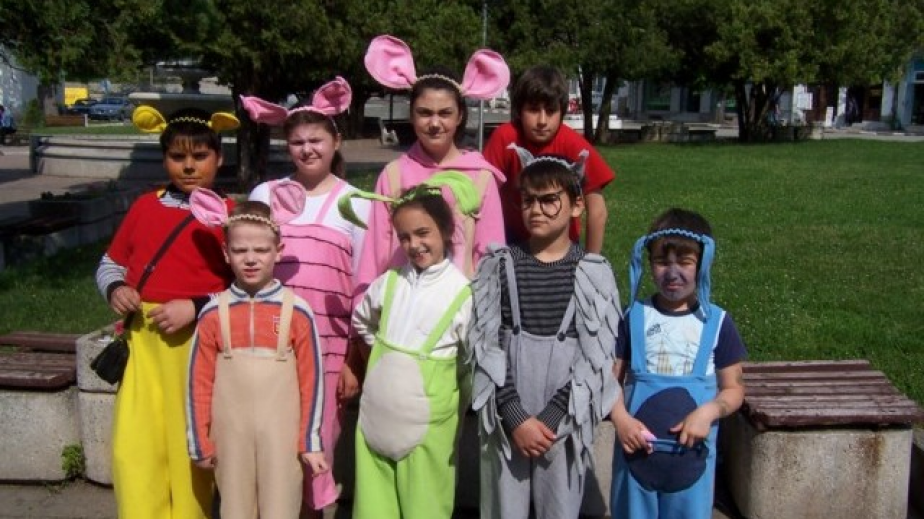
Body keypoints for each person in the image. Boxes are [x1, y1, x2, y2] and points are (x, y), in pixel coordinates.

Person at [94, 105, 240, 519]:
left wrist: (195, 306)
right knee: (135, 446)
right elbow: (110, 262)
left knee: (188, 445)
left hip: (197, 347)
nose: (189, 166)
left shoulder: (228, 214)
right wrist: (116, 289)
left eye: (200, 156)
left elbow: (246, 287)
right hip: (142, 345)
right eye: (178, 157)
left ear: (219, 158)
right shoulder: (145, 206)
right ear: (164, 160)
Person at [242, 77, 369, 516]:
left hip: (328, 349)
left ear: (336, 141)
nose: (307, 149)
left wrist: (354, 359)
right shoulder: (265, 195)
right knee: (271, 445)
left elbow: (362, 285)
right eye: (297, 142)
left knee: (316, 448)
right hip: (268, 343)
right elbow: (245, 264)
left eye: (316, 140)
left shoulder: (357, 202)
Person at [468, 153, 621, 519]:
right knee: (504, 507)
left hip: (565, 416)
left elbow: (595, 358)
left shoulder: (592, 273)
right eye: (528, 200)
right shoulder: (500, 266)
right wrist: (514, 416)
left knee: (560, 506)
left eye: (549, 200)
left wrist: (553, 418)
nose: (536, 210)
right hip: (507, 414)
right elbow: (486, 345)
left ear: (576, 205)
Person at [186, 194, 329, 519]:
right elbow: (198, 383)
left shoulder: (297, 312)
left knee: (281, 506)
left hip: (282, 438)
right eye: (240, 251)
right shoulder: (213, 314)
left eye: (261, 250)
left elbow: (312, 382)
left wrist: (310, 441)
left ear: (278, 251)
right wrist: (199, 442)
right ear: (226, 253)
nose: (250, 259)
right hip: (230, 437)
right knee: (234, 508)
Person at [344, 173, 476, 519]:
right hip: (375, 423)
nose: (414, 244)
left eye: (422, 233)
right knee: (372, 507)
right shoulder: (388, 283)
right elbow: (362, 320)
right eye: (404, 237)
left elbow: (471, 358)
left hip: (428, 433)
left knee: (425, 506)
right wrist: (378, 361)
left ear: (445, 231)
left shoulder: (461, 294)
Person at [609, 208, 747, 519]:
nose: (672, 273)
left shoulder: (717, 323)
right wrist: (620, 419)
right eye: (661, 261)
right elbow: (610, 380)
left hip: (691, 465)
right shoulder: (633, 317)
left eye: (684, 262)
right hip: (635, 462)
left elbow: (734, 389)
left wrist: (707, 412)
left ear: (703, 263)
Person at [357, 34, 510, 293]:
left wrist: (485, 311)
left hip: (458, 308)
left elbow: (490, 258)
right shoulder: (393, 175)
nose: (435, 123)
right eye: (425, 113)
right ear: (411, 115)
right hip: (401, 305)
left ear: (460, 116)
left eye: (445, 113)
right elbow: (374, 254)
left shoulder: (481, 177)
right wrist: (364, 308)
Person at [482, 65, 616, 254]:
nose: (542, 121)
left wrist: (592, 262)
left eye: (551, 111)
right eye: (533, 110)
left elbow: (597, 210)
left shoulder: (575, 145)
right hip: (512, 239)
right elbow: (482, 194)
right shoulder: (505, 138)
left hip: (563, 244)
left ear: (562, 112)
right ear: (519, 110)